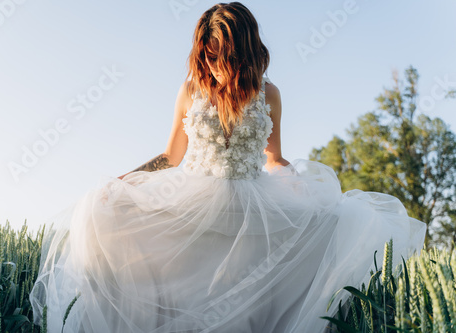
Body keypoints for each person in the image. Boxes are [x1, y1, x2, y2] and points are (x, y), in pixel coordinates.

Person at [29, 2, 427, 332]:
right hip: (192, 196)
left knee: (315, 235)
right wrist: (124, 179)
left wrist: (302, 187)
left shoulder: (269, 94)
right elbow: (171, 155)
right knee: (109, 214)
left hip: (251, 201)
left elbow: (273, 156)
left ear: (244, 51)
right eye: (207, 51)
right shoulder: (191, 89)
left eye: (222, 51)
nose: (214, 60)